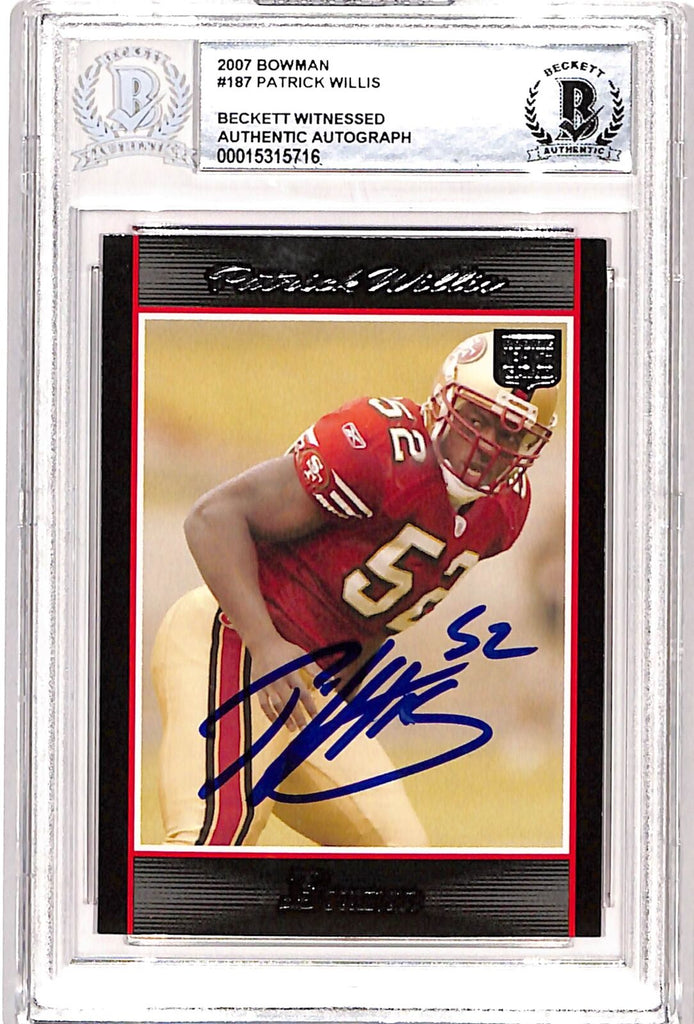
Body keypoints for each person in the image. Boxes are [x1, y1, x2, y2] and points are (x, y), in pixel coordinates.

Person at [151, 331, 558, 847]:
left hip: (305, 687)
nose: (486, 447)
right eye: (476, 420)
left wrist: (341, 687)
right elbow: (213, 518)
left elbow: (371, 617)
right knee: (211, 842)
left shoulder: (503, 513)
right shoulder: (376, 447)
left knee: (401, 856)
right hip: (235, 638)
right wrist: (267, 645)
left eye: (509, 434)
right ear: (444, 402)